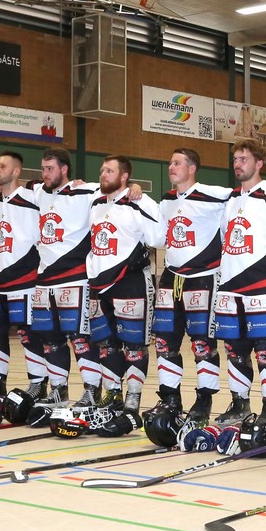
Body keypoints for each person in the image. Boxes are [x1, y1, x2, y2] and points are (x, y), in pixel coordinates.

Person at [212, 138, 266, 434]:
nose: (238, 164)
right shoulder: (231, 199)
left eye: (244, 159)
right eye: (235, 159)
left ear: (259, 163)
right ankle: (240, 404)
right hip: (230, 289)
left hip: (264, 286)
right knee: (235, 350)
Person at [151, 148, 232, 423]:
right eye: (170, 162)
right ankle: (170, 398)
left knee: (202, 344)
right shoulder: (166, 199)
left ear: (192, 168)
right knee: (164, 342)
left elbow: (246, 195)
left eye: (177, 163)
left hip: (203, 277)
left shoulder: (214, 195)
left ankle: (204, 400)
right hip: (170, 277)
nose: (171, 167)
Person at [86, 155, 162, 413]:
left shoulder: (137, 202)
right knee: (106, 344)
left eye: (109, 170)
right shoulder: (95, 202)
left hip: (131, 282)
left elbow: (158, 238)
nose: (103, 174)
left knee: (134, 346)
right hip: (99, 286)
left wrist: (140, 195)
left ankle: (133, 396)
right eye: (102, 170)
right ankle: (112, 393)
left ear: (124, 176)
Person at [29, 148, 103, 408]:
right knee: (50, 339)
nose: (45, 173)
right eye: (43, 168)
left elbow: (117, 190)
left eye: (50, 168)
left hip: (74, 278)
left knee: (80, 338)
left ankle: (92, 390)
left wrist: (135, 188)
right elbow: (14, 192)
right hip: (44, 280)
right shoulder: (38, 192)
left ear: (64, 169)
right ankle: (58, 389)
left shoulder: (86, 192)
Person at [0, 151, 41, 400]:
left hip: (23, 281)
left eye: (2, 166)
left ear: (16, 171)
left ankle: (38, 383)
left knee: (28, 335)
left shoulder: (32, 198)